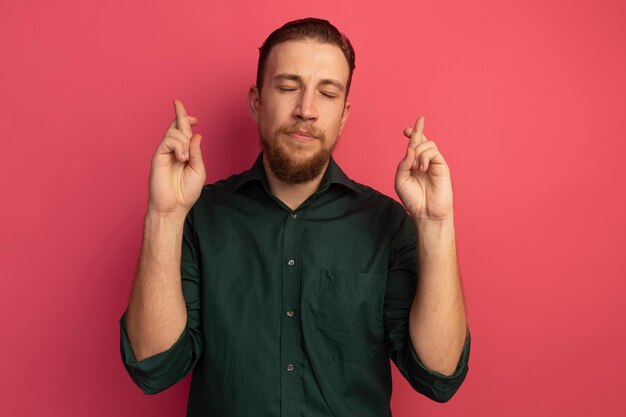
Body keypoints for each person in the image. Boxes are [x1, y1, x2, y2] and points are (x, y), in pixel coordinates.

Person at [120, 17, 470, 417]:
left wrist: (437, 225)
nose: (306, 110)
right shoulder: (198, 218)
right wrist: (164, 215)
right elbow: (153, 367)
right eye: (288, 87)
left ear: (343, 115)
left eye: (327, 93)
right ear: (256, 101)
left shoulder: (388, 224)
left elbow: (439, 376)